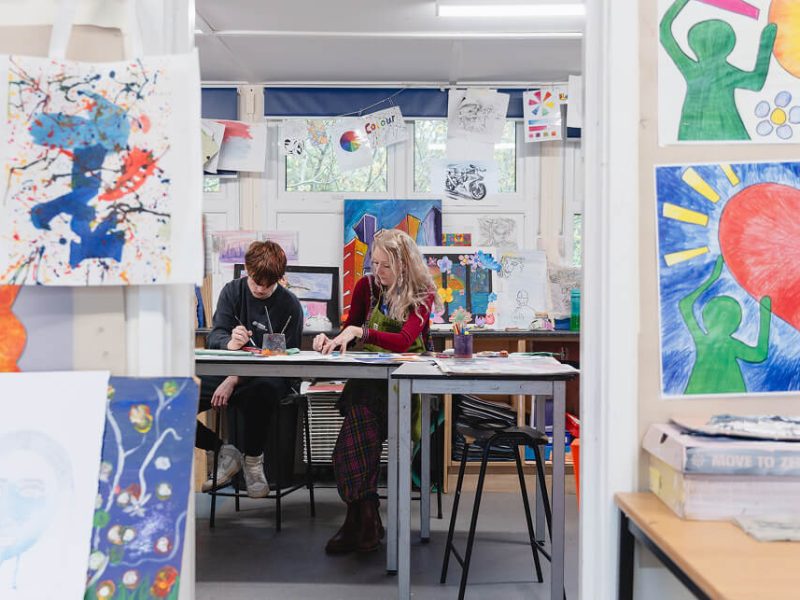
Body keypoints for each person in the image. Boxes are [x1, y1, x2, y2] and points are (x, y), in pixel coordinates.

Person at [313, 229, 442, 554]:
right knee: (355, 445)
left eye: (385, 266)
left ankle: (362, 522)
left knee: (356, 441)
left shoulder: (423, 293)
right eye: (375, 263)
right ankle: (365, 519)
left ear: (404, 265)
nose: (378, 272)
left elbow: (402, 341)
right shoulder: (366, 287)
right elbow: (351, 333)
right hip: (368, 382)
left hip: (405, 386)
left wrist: (362, 330)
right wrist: (333, 340)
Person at [197, 240, 304, 497]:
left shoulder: (290, 306)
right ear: (246, 268)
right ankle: (223, 451)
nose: (261, 289)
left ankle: (254, 462)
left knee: (262, 390)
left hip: (270, 377)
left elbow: (281, 359)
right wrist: (230, 342)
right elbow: (214, 337)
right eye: (256, 282)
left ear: (280, 278)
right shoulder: (232, 292)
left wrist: (234, 378)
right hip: (228, 372)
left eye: (269, 285)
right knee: (178, 395)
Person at [679, 256, 771, 394]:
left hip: (707, 393)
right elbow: (759, 354)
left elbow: (685, 305)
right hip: (726, 395)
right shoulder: (725, 344)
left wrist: (712, 278)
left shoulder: (703, 340)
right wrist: (765, 315)